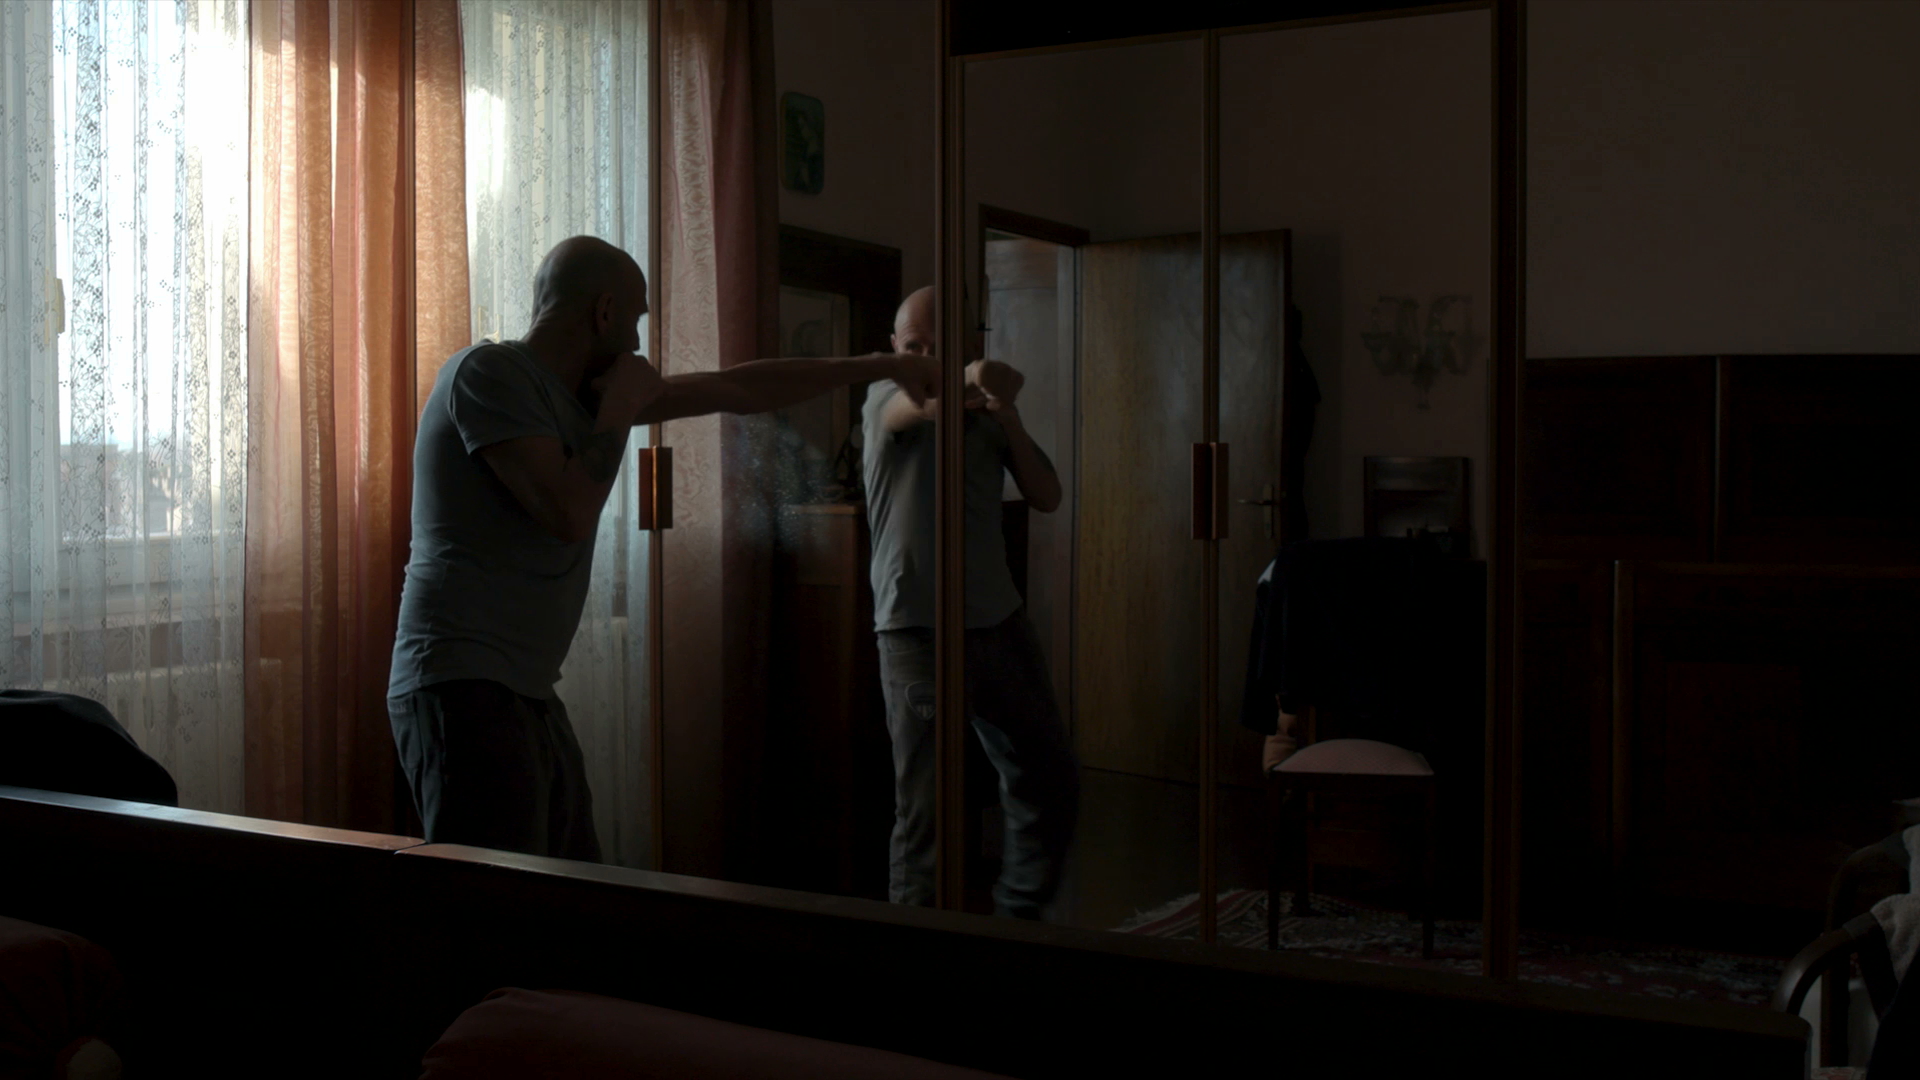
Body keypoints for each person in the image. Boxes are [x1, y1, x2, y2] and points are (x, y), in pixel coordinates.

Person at [387, 236, 937, 861]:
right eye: (636, 319)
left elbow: (739, 389)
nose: (638, 342)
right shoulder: (487, 374)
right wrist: (622, 406)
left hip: (525, 690)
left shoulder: (582, 399)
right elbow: (568, 513)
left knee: (572, 886)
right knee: (494, 903)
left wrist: (878, 366)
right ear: (603, 312)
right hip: (458, 684)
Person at [862, 286, 1081, 920]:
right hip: (917, 633)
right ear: (894, 347)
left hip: (998, 623)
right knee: (927, 813)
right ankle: (918, 957)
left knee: (1048, 778)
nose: (924, 358)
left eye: (940, 346)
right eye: (913, 347)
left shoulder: (987, 414)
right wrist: (975, 377)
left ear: (969, 343)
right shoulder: (884, 396)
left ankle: (1018, 922)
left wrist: (1006, 415)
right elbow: (921, 404)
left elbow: (1047, 496)